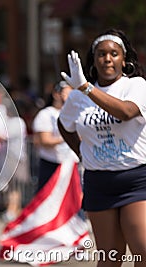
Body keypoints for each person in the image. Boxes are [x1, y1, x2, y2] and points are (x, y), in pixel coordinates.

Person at [58, 28, 146, 266]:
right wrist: (82, 153)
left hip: (136, 181)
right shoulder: (78, 96)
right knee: (109, 259)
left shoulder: (136, 86)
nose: (107, 58)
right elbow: (64, 124)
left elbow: (126, 112)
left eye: (114, 54)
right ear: (94, 60)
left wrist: (86, 88)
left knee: (143, 251)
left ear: (124, 60)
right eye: (101, 54)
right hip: (99, 182)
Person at [32, 80, 77, 192]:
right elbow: (45, 140)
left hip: (70, 164)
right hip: (52, 164)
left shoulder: (74, 114)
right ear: (56, 94)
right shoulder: (46, 114)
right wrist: (66, 138)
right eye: (66, 94)